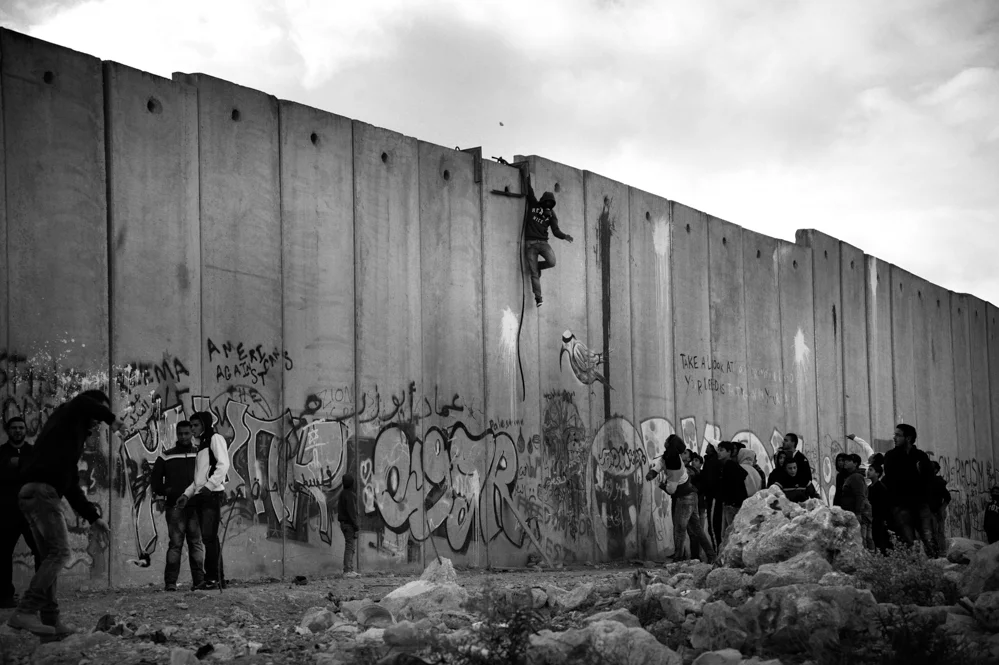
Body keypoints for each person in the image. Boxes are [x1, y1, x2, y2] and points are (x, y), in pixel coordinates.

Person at [7, 390, 124, 636]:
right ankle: (25, 611)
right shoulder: (70, 413)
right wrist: (113, 419)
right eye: (97, 413)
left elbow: (70, 484)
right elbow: (82, 402)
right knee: (60, 553)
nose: (98, 420)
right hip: (42, 493)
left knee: (49, 557)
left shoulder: (68, 434)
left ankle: (50, 624)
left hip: (33, 493)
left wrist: (94, 518)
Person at [176, 412, 229, 590]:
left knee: (209, 538)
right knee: (208, 539)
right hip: (202, 495)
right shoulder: (201, 446)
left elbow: (223, 465)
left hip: (211, 495)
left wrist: (210, 486)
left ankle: (213, 578)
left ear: (204, 425)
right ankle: (216, 578)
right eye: (191, 425)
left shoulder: (215, 438)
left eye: (196, 425)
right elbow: (198, 479)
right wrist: (186, 494)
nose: (192, 429)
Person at [150, 421, 204, 591]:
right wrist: (169, 491)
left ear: (192, 434)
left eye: (186, 433)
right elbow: (155, 482)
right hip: (175, 507)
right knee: (175, 545)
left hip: (196, 507)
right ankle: (171, 583)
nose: (183, 437)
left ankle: (199, 582)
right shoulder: (166, 456)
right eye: (180, 433)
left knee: (196, 544)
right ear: (177, 434)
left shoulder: (200, 454)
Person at [647, 435, 715, 563]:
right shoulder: (671, 456)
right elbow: (661, 462)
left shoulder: (675, 467)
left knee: (680, 529)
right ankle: (711, 556)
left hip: (684, 498)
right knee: (697, 529)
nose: (665, 441)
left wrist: (662, 485)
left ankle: (678, 560)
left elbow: (671, 489)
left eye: (667, 441)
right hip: (690, 496)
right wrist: (654, 471)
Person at [520, 166, 573, 307]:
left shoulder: (551, 215)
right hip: (530, 243)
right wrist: (525, 176)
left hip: (543, 243)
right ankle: (538, 298)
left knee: (552, 262)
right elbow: (529, 190)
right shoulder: (533, 204)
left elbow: (556, 231)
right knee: (534, 274)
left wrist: (565, 236)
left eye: (551, 204)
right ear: (543, 201)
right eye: (546, 203)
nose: (548, 206)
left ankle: (536, 266)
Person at [1, 416, 40, 608]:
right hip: (7, 512)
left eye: (21, 427)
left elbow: (38, 473)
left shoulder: (32, 452)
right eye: (14, 428)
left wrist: (18, 463)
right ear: (8, 431)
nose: (18, 431)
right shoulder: (1, 453)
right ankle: (5, 596)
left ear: (26, 430)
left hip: (30, 512)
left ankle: (38, 595)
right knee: (3, 553)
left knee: (41, 552)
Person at [882, 424, 936, 556]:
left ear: (908, 438)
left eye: (898, 435)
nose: (894, 438)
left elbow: (929, 479)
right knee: (909, 542)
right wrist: (915, 473)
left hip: (921, 504)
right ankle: (916, 572)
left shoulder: (920, 456)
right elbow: (892, 479)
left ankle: (935, 568)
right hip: (901, 506)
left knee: (929, 540)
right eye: (895, 434)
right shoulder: (891, 456)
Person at [717, 441, 748, 544]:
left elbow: (730, 485)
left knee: (730, 534)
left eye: (721, 450)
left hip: (732, 505)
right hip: (732, 504)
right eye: (718, 450)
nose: (719, 452)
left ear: (729, 452)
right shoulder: (732, 465)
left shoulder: (729, 466)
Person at [838, 454, 872, 548]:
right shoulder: (852, 476)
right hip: (854, 512)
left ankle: (868, 559)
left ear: (855, 464)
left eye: (848, 461)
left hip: (858, 513)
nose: (845, 462)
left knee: (863, 538)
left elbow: (860, 496)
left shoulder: (856, 477)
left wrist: (858, 513)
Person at [927, 461, 951, 557]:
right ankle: (933, 552)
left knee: (939, 532)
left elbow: (947, 497)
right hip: (929, 511)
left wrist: (941, 509)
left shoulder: (938, 482)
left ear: (935, 470)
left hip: (937, 510)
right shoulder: (925, 481)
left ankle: (941, 552)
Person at [338, 474, 360, 578]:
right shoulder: (350, 495)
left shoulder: (342, 494)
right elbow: (352, 512)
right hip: (349, 524)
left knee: (350, 546)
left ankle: (349, 569)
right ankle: (347, 570)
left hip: (344, 524)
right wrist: (356, 525)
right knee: (350, 547)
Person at [867, 463, 891, 553]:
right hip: (872, 517)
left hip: (879, 518)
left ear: (877, 473)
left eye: (871, 470)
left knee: (880, 539)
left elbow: (884, 505)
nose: (868, 472)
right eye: (868, 469)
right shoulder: (869, 488)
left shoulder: (881, 488)